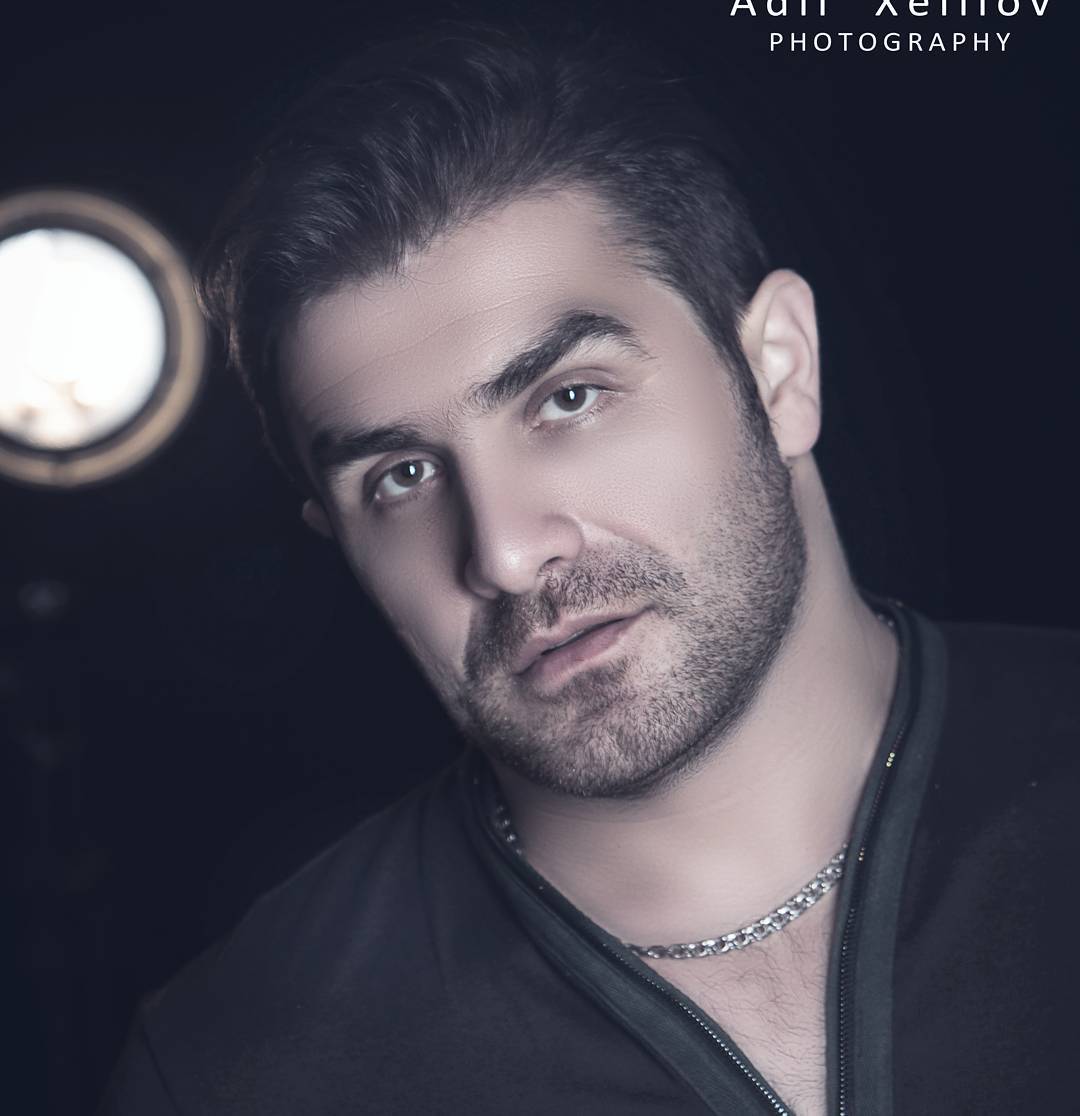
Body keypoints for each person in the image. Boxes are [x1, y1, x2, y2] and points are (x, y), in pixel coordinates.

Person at [101, 23, 1079, 1116]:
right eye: (403, 476)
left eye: (569, 398)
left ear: (779, 370)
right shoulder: (240, 1071)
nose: (507, 553)